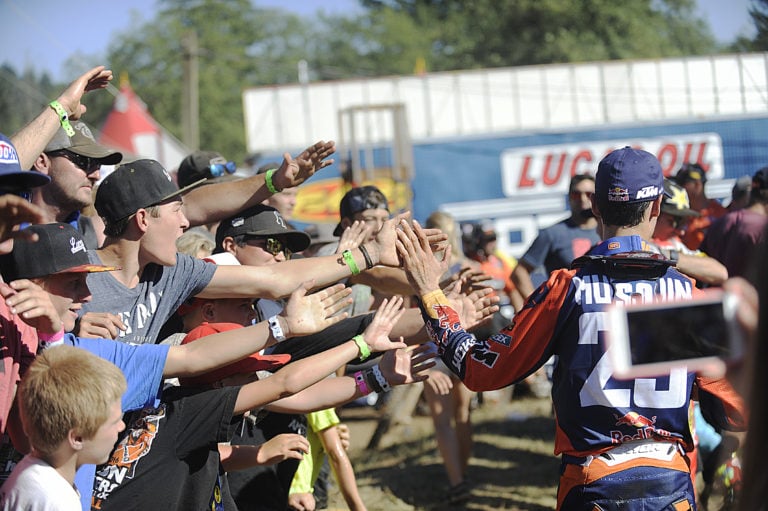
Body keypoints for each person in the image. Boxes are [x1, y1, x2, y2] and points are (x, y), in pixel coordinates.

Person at [397, 146, 747, 510]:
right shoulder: (686, 293)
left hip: (593, 484)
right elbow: (736, 409)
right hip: (670, 483)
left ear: (595, 205)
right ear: (657, 207)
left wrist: (429, 292)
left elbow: (480, 370)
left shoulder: (566, 288)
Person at [0, 222, 352, 511]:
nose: (87, 295)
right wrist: (359, 348)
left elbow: (197, 361)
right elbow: (284, 385)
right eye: (74, 283)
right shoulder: (44, 489)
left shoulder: (83, 349)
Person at [91, 297, 426, 510]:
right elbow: (285, 384)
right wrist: (361, 345)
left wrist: (377, 379)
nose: (257, 382)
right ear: (220, 385)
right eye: (248, 375)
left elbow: (302, 396)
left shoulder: (178, 414)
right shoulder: (191, 411)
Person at [76, 159, 412, 343]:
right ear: (142, 220)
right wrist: (66, 335)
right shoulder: (71, 278)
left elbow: (275, 280)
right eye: (176, 212)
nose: (185, 223)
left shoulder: (175, 271)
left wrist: (367, 254)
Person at [0, 345, 126, 511]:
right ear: (77, 438)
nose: (122, 426)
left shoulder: (30, 473)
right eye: (115, 421)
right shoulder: (58, 501)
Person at [510, 173, 601, 304]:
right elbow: (519, 273)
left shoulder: (607, 230)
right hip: (565, 316)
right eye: (576, 194)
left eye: (588, 194)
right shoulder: (552, 233)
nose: (582, 199)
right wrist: (537, 307)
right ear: (569, 198)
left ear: (596, 197)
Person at [649, 178, 728, 287]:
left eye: (684, 222)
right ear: (654, 212)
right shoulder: (631, 242)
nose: (681, 231)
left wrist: (666, 256)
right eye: (675, 221)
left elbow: (720, 273)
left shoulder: (674, 245)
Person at [287, 408, 366, 511]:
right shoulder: (319, 403)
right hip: (297, 495)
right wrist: (358, 508)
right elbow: (336, 456)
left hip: (290, 490)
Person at [700, 167, 768, 280]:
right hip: (749, 296)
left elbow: (701, 259)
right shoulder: (762, 227)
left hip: (717, 295)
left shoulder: (721, 222)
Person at [674, 162, 727, 251]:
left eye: (682, 184)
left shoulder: (720, 214)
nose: (678, 189)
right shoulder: (678, 215)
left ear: (697, 185)